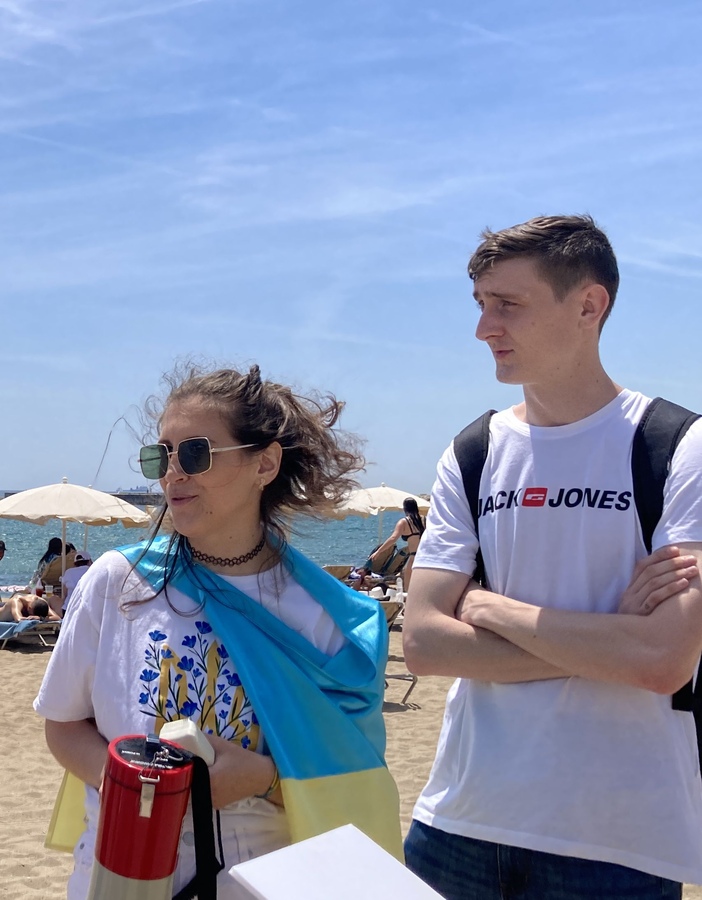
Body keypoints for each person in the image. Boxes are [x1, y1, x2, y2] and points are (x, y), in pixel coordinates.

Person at [403, 215, 702, 900]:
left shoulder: (678, 447)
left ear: (589, 305)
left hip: (616, 843)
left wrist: (488, 607)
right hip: (457, 821)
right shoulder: (474, 452)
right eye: (481, 304)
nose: (484, 328)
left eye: (508, 304)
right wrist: (613, 642)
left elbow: (663, 662)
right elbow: (423, 643)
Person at [34, 363, 402, 899]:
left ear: (264, 464)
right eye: (161, 455)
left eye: (194, 454)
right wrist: (139, 789)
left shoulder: (328, 619)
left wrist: (264, 779)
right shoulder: (118, 583)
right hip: (118, 872)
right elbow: (64, 724)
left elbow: (355, 783)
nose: (171, 474)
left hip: (265, 883)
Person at [369, 497, 426, 587]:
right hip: (427, 557)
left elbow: (393, 538)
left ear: (405, 509)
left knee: (408, 587)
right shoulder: (425, 520)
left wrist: (378, 552)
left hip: (414, 558)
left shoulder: (404, 522)